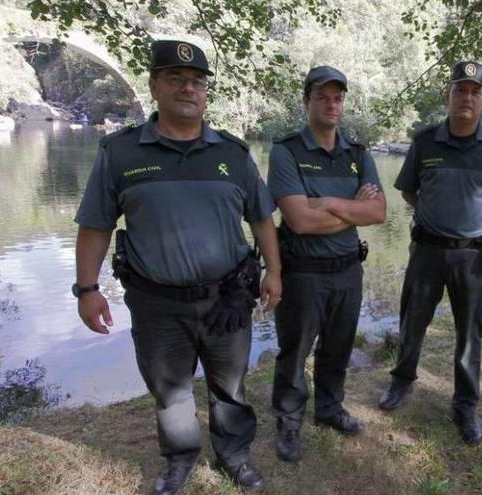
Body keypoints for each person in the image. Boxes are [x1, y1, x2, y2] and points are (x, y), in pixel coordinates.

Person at [72, 40, 281, 494]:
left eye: (197, 82)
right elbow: (94, 226)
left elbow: (263, 219)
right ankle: (180, 460)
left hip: (227, 298)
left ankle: (235, 457)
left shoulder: (233, 154)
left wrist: (275, 273)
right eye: (176, 79)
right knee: (171, 391)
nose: (188, 88)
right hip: (157, 303)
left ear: (206, 93)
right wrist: (87, 290)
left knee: (230, 387)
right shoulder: (121, 153)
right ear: (154, 86)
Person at [378, 61, 482, 445]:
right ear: (448, 97)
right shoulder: (425, 142)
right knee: (412, 321)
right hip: (427, 251)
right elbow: (409, 191)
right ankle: (401, 382)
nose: (467, 97)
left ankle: (465, 404)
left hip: (476, 259)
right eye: (460, 90)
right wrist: (436, 218)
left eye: (474, 92)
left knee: (469, 334)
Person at [267, 66, 386, 462]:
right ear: (307, 101)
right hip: (303, 274)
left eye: (338, 97)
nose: (331, 104)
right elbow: (299, 220)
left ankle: (330, 409)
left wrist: (330, 203)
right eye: (322, 96)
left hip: (349, 271)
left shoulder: (358, 154)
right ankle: (289, 420)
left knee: (338, 348)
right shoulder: (287, 152)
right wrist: (355, 208)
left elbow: (380, 212)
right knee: (295, 351)